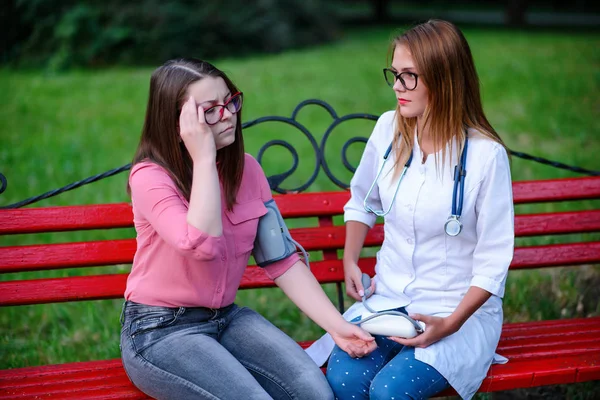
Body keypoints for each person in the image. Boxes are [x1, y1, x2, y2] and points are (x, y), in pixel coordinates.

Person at [119, 58, 376, 400]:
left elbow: (282, 260)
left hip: (226, 320)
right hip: (160, 331)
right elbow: (201, 244)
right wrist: (204, 159)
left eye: (229, 101)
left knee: (315, 392)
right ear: (178, 122)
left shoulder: (248, 171)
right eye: (209, 110)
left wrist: (338, 327)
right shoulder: (149, 178)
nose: (227, 115)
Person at [322, 20, 515, 399]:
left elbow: (493, 262)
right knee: (344, 381)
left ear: (445, 80)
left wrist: (450, 324)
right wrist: (349, 260)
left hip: (454, 313)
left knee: (389, 391)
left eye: (409, 76)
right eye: (394, 74)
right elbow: (363, 200)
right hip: (387, 301)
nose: (396, 86)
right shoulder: (388, 129)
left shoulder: (485, 157)